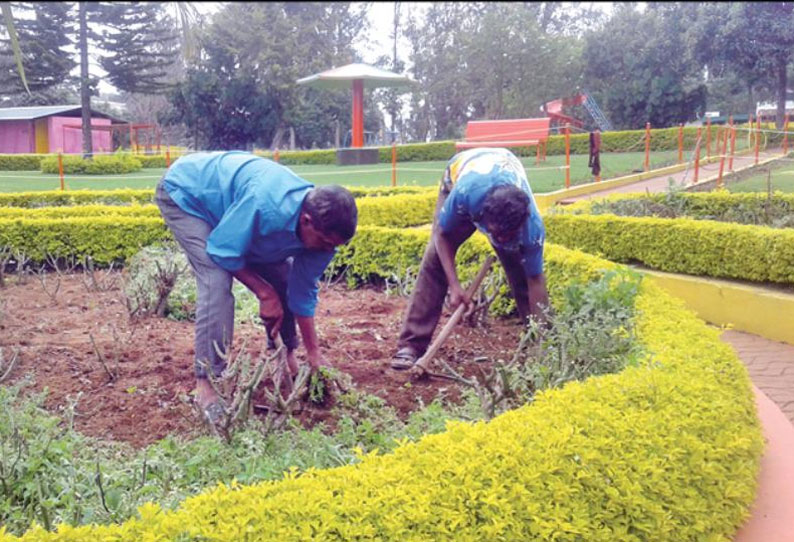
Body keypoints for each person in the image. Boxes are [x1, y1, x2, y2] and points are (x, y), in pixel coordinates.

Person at [155, 151, 358, 427]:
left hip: (231, 208)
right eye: (324, 243)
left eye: (332, 246)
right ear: (306, 221)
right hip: (187, 193)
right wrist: (264, 292)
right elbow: (222, 250)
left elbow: (302, 292)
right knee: (216, 282)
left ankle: (285, 356)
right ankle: (207, 386)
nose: (327, 251)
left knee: (283, 278)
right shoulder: (265, 206)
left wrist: (314, 353)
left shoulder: (323, 237)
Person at [391, 147, 549, 370]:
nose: (499, 240)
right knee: (435, 259)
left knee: (521, 272)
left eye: (507, 236)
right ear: (483, 216)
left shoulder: (532, 228)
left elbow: (536, 281)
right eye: (494, 234)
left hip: (504, 171)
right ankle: (411, 345)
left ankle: (538, 345)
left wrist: (543, 338)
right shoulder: (466, 196)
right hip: (461, 172)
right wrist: (454, 286)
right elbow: (443, 236)